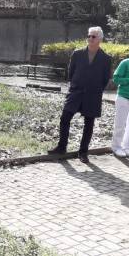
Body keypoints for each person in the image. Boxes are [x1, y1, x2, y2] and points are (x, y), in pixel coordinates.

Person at [47, 26, 112, 163]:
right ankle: (61, 147)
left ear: (100, 39)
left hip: (93, 95)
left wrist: (96, 89)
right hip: (76, 92)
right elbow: (71, 72)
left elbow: (105, 78)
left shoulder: (106, 58)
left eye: (93, 36)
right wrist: (75, 85)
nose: (90, 38)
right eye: (88, 36)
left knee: (89, 124)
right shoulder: (77, 53)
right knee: (65, 118)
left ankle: (83, 152)